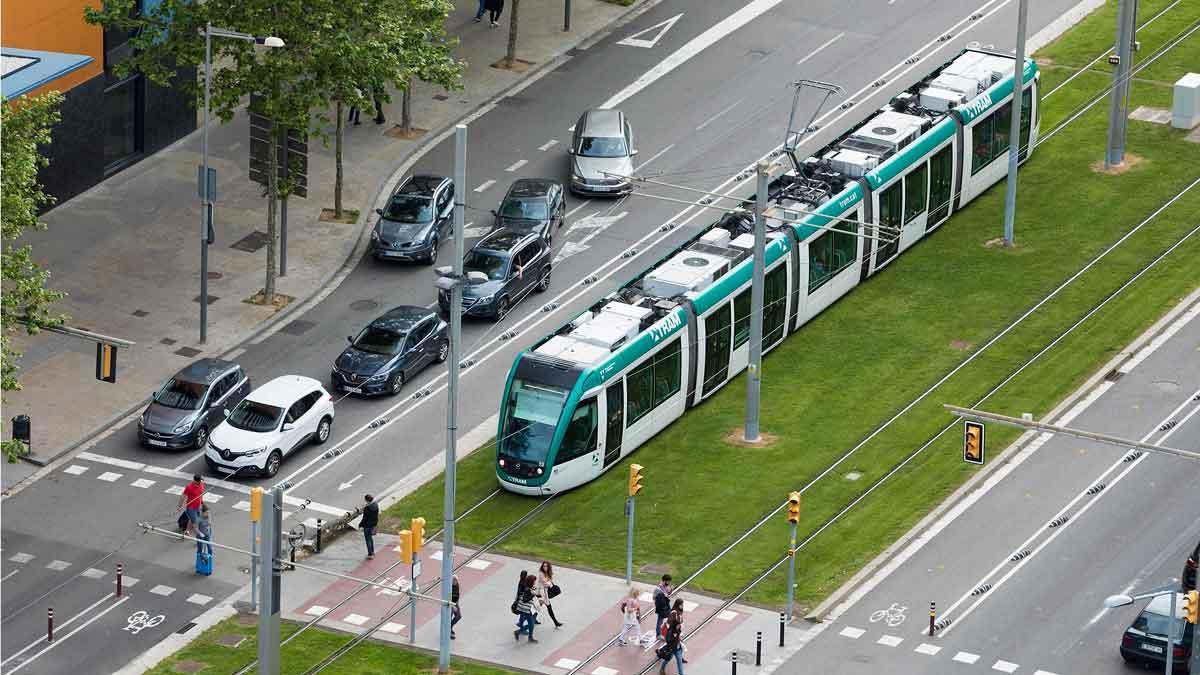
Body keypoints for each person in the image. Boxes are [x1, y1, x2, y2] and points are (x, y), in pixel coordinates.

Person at [656, 604, 684, 675]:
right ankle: (662, 669)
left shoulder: (678, 629)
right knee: (667, 659)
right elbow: (668, 640)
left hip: (677, 648)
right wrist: (676, 639)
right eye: (678, 625)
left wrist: (679, 638)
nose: (679, 626)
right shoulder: (671, 631)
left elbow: (678, 635)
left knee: (679, 663)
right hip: (672, 648)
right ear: (675, 625)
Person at [537, 560, 564, 628]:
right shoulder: (541, 573)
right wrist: (550, 584)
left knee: (546, 607)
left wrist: (549, 583)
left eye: (546, 566)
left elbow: (549, 581)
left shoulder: (548, 573)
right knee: (538, 606)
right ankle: (523, 620)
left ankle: (555, 622)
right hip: (541, 592)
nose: (544, 567)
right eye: (543, 566)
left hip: (545, 592)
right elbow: (546, 583)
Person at [177, 474, 205, 538]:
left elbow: (201, 494)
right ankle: (199, 535)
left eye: (200, 481)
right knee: (195, 522)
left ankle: (187, 531)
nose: (200, 483)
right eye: (198, 482)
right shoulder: (189, 487)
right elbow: (183, 496)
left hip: (198, 506)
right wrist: (179, 506)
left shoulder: (201, 484)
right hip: (191, 508)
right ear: (195, 481)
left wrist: (201, 502)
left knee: (192, 520)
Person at [514, 573, 538, 643]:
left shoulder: (528, 587)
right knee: (531, 624)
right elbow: (525, 599)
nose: (535, 582)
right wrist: (533, 595)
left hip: (527, 609)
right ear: (531, 582)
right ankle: (519, 632)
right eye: (534, 581)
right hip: (526, 609)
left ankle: (528, 636)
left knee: (532, 622)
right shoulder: (527, 589)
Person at [195, 504, 213, 576]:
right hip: (200, 536)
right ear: (203, 512)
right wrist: (200, 533)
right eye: (207, 513)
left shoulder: (208, 516)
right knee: (200, 549)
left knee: (210, 548)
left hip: (207, 534)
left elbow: (210, 524)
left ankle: (209, 562)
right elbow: (195, 528)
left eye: (208, 513)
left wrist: (209, 525)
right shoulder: (199, 519)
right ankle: (199, 563)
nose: (208, 514)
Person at [653, 574, 673, 639]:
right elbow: (654, 597)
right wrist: (663, 596)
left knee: (671, 617)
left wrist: (668, 593)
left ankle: (668, 631)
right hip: (661, 607)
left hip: (666, 605)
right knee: (660, 621)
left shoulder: (667, 587)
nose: (669, 583)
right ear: (664, 581)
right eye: (668, 581)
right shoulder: (658, 589)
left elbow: (669, 594)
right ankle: (658, 634)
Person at [360, 494, 379, 559]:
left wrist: (360, 524)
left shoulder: (367, 508)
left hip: (367, 526)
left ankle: (370, 554)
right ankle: (372, 551)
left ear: (367, 500)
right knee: (370, 538)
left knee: (368, 539)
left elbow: (364, 518)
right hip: (373, 524)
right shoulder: (376, 505)